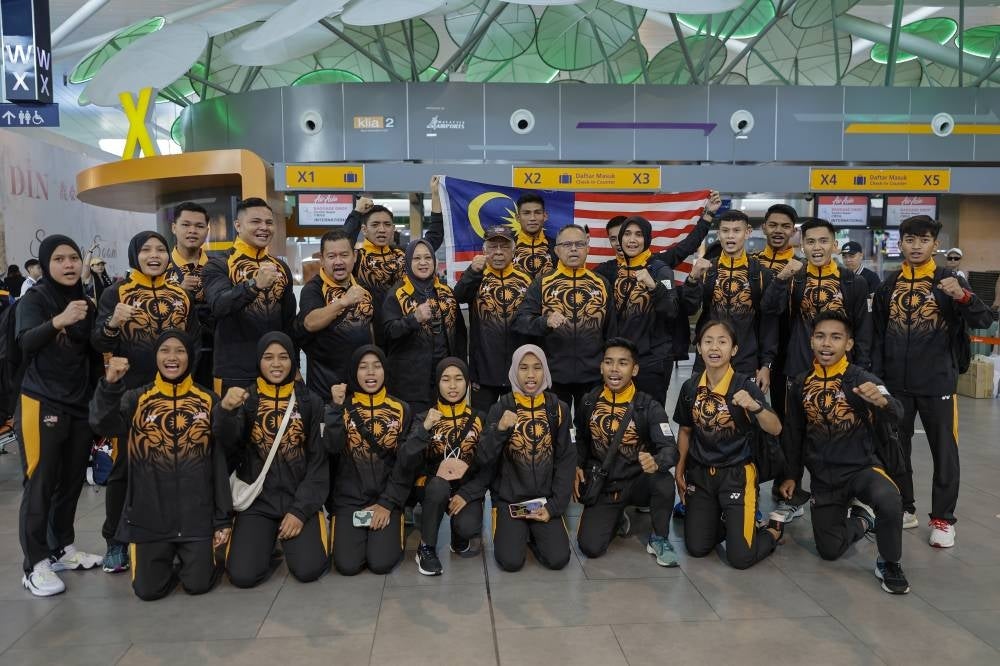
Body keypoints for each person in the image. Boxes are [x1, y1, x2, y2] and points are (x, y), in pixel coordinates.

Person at [872, 215, 991, 547]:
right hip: (896, 387)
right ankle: (905, 507)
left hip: (938, 384)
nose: (915, 246)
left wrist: (963, 297)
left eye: (923, 240)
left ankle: (943, 519)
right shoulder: (887, 286)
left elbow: (982, 319)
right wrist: (879, 381)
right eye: (909, 239)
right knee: (896, 450)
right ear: (900, 244)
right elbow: (879, 337)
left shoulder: (949, 280)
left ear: (935, 245)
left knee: (945, 453)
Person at [89, 331, 232, 601]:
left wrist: (221, 518)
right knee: (147, 591)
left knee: (198, 585)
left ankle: (188, 556)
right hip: (150, 519)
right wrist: (109, 385)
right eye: (165, 350)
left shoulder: (208, 399)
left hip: (195, 518)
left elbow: (218, 463)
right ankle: (162, 554)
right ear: (155, 356)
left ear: (190, 357)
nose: (172, 357)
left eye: (180, 351)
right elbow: (101, 423)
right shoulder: (136, 399)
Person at [779, 311, 909, 594]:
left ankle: (889, 562)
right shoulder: (800, 384)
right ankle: (863, 520)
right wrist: (791, 476)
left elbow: (897, 412)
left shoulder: (862, 379)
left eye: (836, 337)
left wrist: (882, 402)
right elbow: (794, 434)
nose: (827, 344)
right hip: (824, 479)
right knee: (829, 550)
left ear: (848, 344)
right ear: (811, 340)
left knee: (889, 499)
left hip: (862, 469)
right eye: (820, 336)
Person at [92, 230, 199, 574]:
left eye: (160, 249)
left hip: (174, 393)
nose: (154, 255)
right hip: (131, 395)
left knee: (172, 465)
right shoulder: (116, 292)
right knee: (124, 468)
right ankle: (115, 542)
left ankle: (170, 534)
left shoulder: (180, 294)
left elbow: (193, 341)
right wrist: (113, 322)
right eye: (146, 250)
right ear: (134, 254)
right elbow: (97, 341)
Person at [15, 235, 103, 597]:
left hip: (79, 404)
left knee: (69, 483)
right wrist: (58, 321)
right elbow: (25, 342)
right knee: (40, 484)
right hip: (41, 402)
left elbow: (94, 353)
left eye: (73, 258)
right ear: (45, 264)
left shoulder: (86, 301)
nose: (68, 265)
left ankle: (61, 549)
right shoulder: (35, 300)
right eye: (59, 259)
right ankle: (34, 565)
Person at [218, 332, 330, 588]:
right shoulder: (246, 400)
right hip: (257, 501)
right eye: (268, 357)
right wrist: (224, 411)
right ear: (259, 361)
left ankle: (298, 529)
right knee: (243, 576)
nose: (276, 364)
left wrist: (300, 512)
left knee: (309, 570)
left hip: (297, 499)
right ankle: (262, 540)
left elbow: (318, 463)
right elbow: (227, 445)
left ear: (293, 361)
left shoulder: (310, 402)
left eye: (283, 357)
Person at [673, 320, 783, 569]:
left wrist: (755, 407)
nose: (714, 347)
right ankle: (729, 521)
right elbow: (685, 430)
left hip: (737, 475)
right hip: (701, 474)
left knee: (741, 558)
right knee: (697, 548)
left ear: (733, 350)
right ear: (699, 348)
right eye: (708, 341)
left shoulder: (746, 386)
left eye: (722, 341)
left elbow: (775, 427)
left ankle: (773, 531)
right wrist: (679, 470)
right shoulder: (691, 387)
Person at [574, 339, 679, 566]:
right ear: (601, 367)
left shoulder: (648, 406)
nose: (614, 369)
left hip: (638, 481)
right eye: (609, 362)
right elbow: (581, 439)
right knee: (589, 547)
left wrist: (657, 461)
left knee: (663, 481)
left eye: (623, 363)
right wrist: (577, 464)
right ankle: (616, 518)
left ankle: (659, 538)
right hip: (605, 484)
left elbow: (671, 449)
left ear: (635, 369)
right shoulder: (589, 401)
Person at [390, 358, 490, 576]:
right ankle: (426, 548)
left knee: (468, 528)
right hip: (431, 487)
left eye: (458, 379)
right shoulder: (424, 417)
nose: (452, 386)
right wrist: (425, 429)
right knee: (438, 487)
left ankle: (458, 535)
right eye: (446, 380)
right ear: (437, 383)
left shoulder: (479, 418)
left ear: (467, 382)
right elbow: (405, 459)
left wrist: (468, 493)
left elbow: (488, 465)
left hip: (464, 489)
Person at [479, 345, 574, 572]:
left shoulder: (558, 409)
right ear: (514, 371)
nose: (530, 375)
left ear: (545, 371)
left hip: (544, 500)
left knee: (559, 559)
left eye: (537, 368)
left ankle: (535, 534)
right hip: (510, 501)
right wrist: (500, 430)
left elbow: (566, 460)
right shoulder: (500, 407)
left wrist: (554, 507)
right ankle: (518, 532)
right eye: (523, 368)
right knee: (511, 562)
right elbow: (483, 457)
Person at [514, 224, 615, 434]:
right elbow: (521, 321)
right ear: (557, 250)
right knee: (554, 433)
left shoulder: (602, 283)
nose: (574, 249)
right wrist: (545, 322)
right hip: (553, 376)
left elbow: (611, 331)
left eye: (579, 244)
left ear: (588, 248)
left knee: (591, 432)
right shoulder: (542, 283)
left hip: (592, 376)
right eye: (567, 244)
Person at [325, 345, 412, 576]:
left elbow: (405, 464)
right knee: (347, 565)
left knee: (380, 563)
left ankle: (393, 522)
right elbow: (332, 448)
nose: (370, 373)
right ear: (354, 372)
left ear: (385, 370)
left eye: (376, 366)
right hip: (349, 500)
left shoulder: (401, 409)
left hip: (386, 499)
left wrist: (388, 502)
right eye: (363, 367)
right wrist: (334, 408)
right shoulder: (341, 407)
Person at [203, 197, 296, 394]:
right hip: (234, 372)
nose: (264, 227)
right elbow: (219, 305)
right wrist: (254, 285)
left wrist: (293, 366)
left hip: (277, 371)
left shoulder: (282, 268)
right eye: (256, 222)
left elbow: (288, 324)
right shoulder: (218, 264)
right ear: (238, 225)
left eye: (269, 222)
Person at [610, 216, 700, 405]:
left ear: (647, 239)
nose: (632, 240)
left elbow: (671, 311)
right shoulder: (613, 271)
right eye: (626, 234)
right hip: (622, 359)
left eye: (638, 234)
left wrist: (653, 286)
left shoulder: (660, 270)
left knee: (650, 416)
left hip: (653, 360)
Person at [343, 179, 443, 346]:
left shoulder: (404, 254)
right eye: (375, 224)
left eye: (387, 224)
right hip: (370, 338)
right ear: (364, 230)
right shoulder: (356, 258)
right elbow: (340, 244)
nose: (382, 229)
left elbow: (433, 238)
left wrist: (435, 195)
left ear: (393, 228)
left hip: (406, 335)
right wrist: (357, 213)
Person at [687, 210, 778, 390]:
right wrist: (692, 280)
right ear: (719, 233)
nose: (730, 236)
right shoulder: (707, 270)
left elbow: (769, 323)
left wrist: (766, 365)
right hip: (707, 359)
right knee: (703, 414)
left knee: (744, 415)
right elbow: (689, 308)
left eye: (736, 230)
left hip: (746, 361)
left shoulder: (761, 274)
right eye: (725, 230)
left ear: (748, 232)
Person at [383, 238, 467, 416]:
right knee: (415, 433)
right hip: (410, 384)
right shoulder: (397, 293)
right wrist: (414, 319)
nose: (423, 263)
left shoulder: (446, 292)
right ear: (408, 262)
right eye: (416, 258)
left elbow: (459, 334)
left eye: (428, 257)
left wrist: (461, 370)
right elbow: (388, 332)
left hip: (444, 381)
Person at [453, 225, 532, 412]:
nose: (498, 252)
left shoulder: (527, 280)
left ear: (514, 250)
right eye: (492, 246)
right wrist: (473, 272)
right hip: (483, 372)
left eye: (504, 247)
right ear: (484, 250)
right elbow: (457, 298)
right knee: (482, 426)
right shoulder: (475, 275)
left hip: (517, 373)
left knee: (516, 429)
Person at [295, 229, 374, 399]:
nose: (338, 261)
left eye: (344, 255)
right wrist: (343, 301)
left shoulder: (363, 288)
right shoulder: (313, 289)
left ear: (353, 256)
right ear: (322, 260)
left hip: (363, 388)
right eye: (331, 256)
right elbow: (310, 322)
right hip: (326, 392)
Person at [166, 201, 214, 386]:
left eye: (199, 226)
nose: (192, 231)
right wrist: (179, 292)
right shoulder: (159, 267)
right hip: (172, 355)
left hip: (215, 354)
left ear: (207, 231)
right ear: (174, 228)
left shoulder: (220, 267)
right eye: (186, 225)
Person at [512, 192, 557, 279]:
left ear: (545, 216)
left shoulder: (557, 247)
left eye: (537, 213)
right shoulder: (507, 247)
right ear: (518, 218)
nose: (532, 218)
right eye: (526, 213)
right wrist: (476, 272)